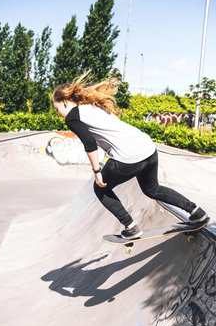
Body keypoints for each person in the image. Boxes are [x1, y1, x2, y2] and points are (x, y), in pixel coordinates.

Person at [52, 72, 209, 240]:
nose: (59, 114)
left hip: (127, 157)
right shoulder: (94, 106)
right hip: (148, 148)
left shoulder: (73, 116)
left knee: (100, 188)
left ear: (66, 102)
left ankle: (131, 227)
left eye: (57, 109)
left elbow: (89, 143)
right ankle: (196, 212)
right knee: (152, 189)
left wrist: (97, 172)